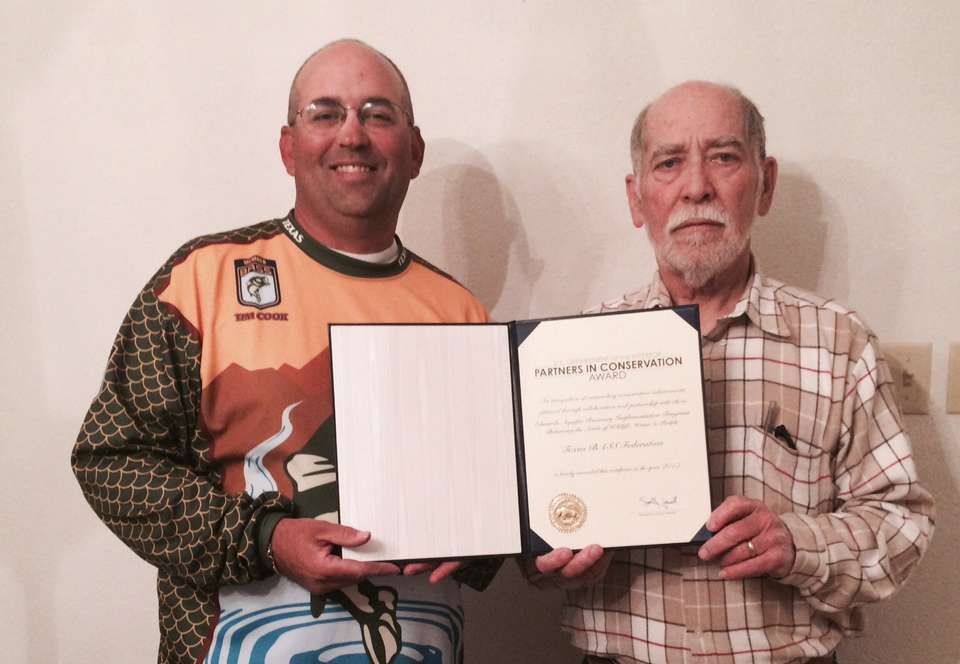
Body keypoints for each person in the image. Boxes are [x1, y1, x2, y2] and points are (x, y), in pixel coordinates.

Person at [72, 39, 498, 664]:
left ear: (414, 151)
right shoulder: (201, 281)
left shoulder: (460, 311)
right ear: (288, 147)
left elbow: (490, 505)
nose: (352, 135)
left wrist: (496, 537)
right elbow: (111, 462)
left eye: (377, 114)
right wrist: (266, 539)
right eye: (325, 113)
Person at [533, 81, 935, 663]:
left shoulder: (840, 343)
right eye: (668, 163)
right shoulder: (571, 351)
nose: (696, 186)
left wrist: (798, 542)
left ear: (765, 183)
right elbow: (536, 547)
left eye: (723, 157)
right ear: (636, 198)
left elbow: (902, 524)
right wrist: (550, 556)